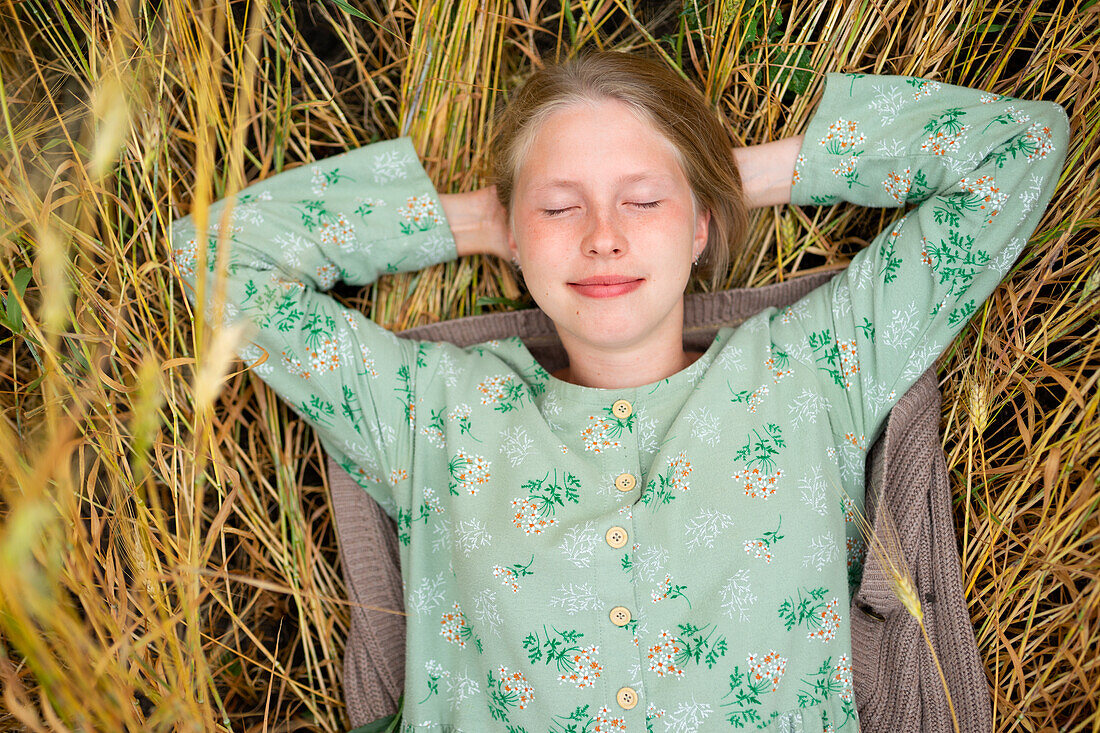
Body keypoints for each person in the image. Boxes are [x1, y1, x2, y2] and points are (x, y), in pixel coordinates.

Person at [170, 52, 1068, 731]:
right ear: (516, 234)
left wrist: (729, 174)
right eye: (560, 207)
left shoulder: (817, 369)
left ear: (703, 225)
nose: (602, 236)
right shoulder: (429, 411)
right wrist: (480, 215)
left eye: (642, 200)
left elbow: (1020, 146)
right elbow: (213, 257)